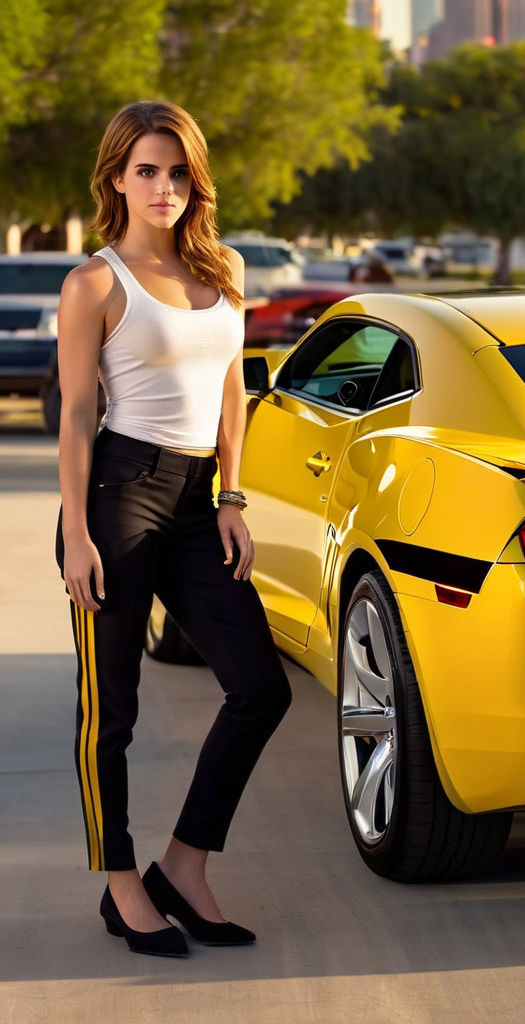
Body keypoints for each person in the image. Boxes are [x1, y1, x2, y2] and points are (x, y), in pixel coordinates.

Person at [55, 100, 292, 958]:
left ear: (196, 180)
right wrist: (76, 532)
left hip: (200, 503)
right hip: (117, 496)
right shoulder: (94, 281)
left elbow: (234, 391)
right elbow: (78, 413)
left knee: (261, 689)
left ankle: (184, 865)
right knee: (109, 712)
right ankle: (123, 885)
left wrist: (234, 497)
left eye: (178, 171)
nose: (163, 187)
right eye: (147, 170)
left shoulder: (221, 268)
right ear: (117, 177)